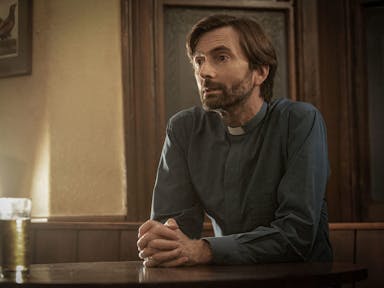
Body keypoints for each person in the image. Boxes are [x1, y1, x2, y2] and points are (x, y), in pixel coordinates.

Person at [137, 14, 333, 267]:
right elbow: (172, 228)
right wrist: (161, 242)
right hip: (227, 276)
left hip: (303, 278)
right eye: (199, 61)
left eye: (222, 57)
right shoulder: (184, 128)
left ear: (260, 72)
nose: (204, 72)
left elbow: (297, 233)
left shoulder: (300, 121)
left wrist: (205, 250)